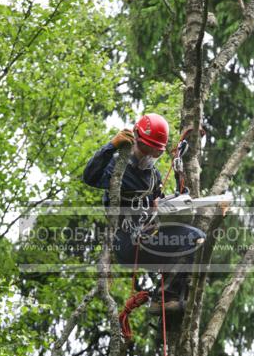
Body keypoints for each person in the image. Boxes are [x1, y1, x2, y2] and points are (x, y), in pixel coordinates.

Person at [82, 113, 205, 302]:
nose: (149, 156)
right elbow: (90, 176)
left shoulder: (153, 175)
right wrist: (111, 146)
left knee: (195, 240)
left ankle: (167, 298)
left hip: (148, 236)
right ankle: (168, 296)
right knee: (192, 238)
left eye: (155, 152)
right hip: (127, 242)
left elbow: (157, 202)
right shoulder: (117, 166)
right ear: (136, 140)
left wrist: (175, 202)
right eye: (145, 148)